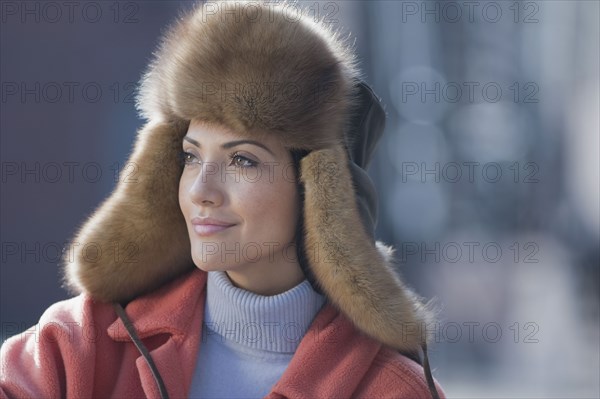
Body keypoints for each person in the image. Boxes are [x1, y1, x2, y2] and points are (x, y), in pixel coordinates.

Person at [1, 1, 445, 398]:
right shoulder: (77, 347)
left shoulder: (389, 389)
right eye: (191, 157)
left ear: (316, 189)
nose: (200, 191)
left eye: (243, 161)